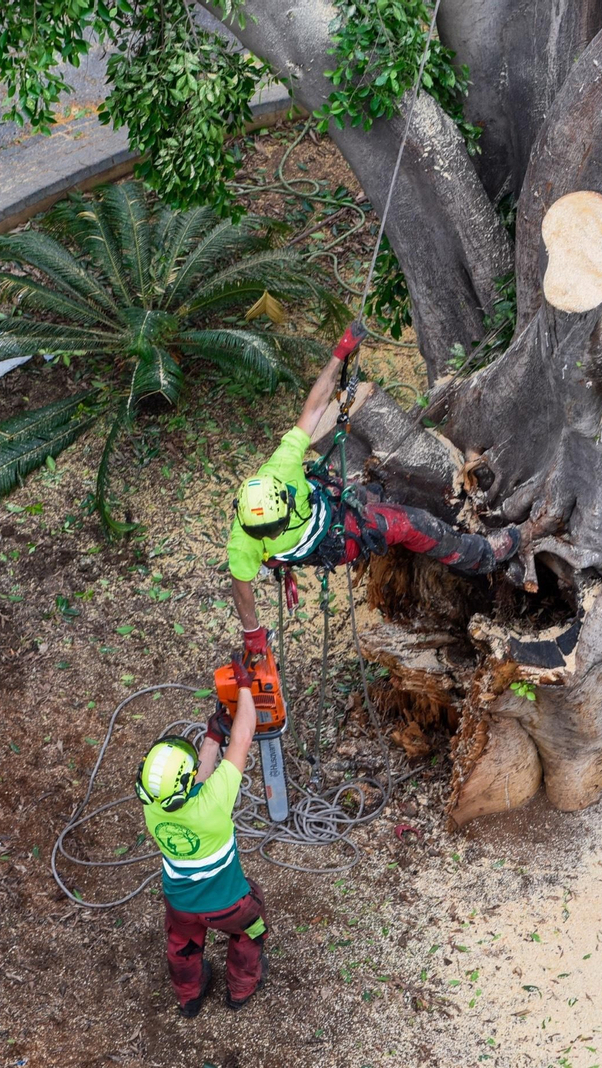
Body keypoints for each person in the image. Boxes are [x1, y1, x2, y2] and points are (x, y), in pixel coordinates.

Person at [228, 330, 525, 655]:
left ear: (284, 496)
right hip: (332, 540)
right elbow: (241, 586)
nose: (271, 535)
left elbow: (314, 407)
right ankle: (479, 555)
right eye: (266, 533)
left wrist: (339, 355)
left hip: (325, 503)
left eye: (276, 527)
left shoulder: (281, 467)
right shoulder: (243, 542)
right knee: (411, 524)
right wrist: (252, 632)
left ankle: (442, 521)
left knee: (385, 487)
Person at [138, 659, 268, 1016]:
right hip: (228, 905)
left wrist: (212, 737)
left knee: (182, 945)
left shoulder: (152, 807)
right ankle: (241, 989)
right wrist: (245, 688)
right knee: (251, 928)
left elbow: (192, 783)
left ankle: (189, 997)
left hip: (180, 903)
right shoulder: (214, 802)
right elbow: (244, 736)